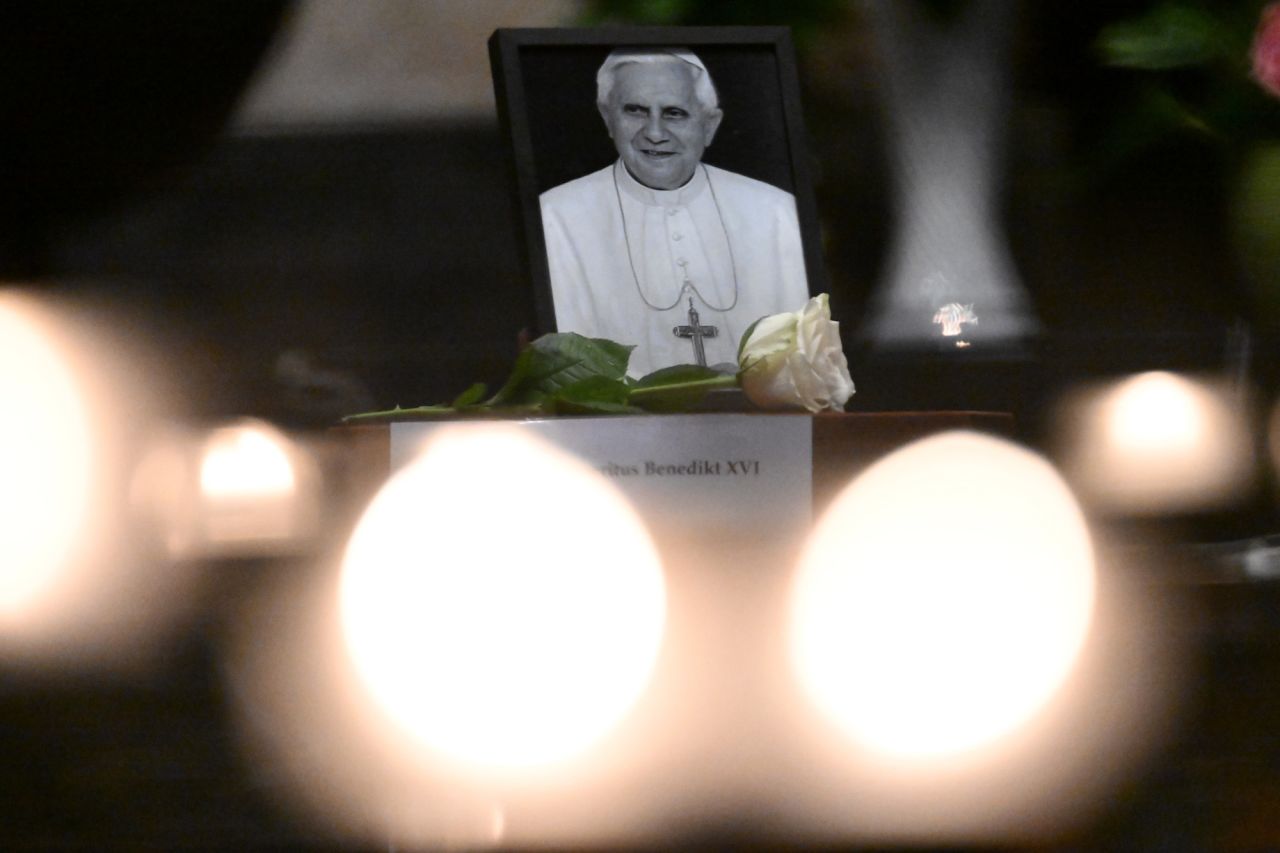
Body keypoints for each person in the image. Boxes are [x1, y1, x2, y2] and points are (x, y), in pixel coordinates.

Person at [539, 47, 810, 377]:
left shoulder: (775, 211)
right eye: (635, 111)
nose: (654, 132)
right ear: (607, 117)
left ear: (709, 125)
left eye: (674, 113)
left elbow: (804, 354)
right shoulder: (556, 216)